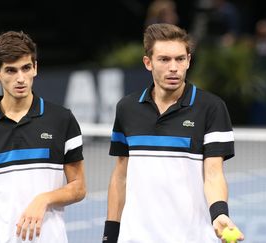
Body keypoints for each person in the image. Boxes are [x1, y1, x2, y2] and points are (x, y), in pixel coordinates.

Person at [102, 23, 244, 243]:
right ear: (148, 63)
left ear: (188, 60)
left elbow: (214, 174)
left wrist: (219, 213)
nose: (174, 67)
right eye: (164, 59)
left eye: (180, 59)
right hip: (135, 238)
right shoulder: (127, 108)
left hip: (192, 238)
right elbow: (121, 176)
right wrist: (110, 235)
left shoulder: (211, 107)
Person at [0, 31, 86, 243]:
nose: (21, 78)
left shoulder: (62, 120)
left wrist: (44, 199)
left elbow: (78, 187)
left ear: (35, 68)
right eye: (11, 71)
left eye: (26, 68)